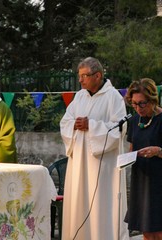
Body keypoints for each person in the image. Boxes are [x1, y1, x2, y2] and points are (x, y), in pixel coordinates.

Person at [60, 57, 129, 240]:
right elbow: (65, 121)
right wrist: (74, 125)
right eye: (79, 76)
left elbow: (119, 128)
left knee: (100, 204)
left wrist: (91, 125)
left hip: (102, 165)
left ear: (97, 75)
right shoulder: (79, 96)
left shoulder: (113, 97)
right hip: (79, 161)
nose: (80, 80)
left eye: (84, 76)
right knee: (79, 202)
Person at [124, 78, 162, 240]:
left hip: (159, 182)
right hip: (141, 180)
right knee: (146, 230)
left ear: (153, 99)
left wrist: (158, 151)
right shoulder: (133, 121)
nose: (138, 108)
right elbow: (132, 150)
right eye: (134, 104)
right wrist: (125, 159)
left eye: (142, 103)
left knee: (159, 231)